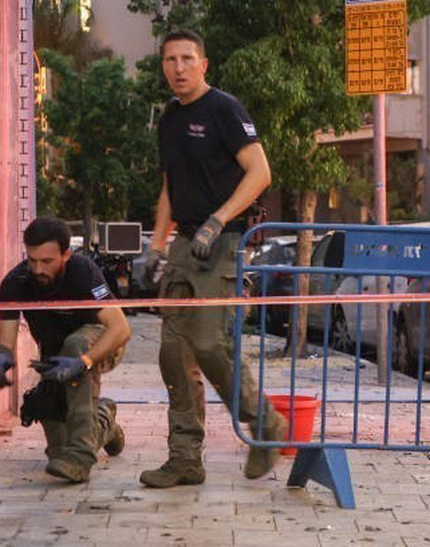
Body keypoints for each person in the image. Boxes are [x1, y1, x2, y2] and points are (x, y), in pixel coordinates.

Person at [140, 29, 287, 488]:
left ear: (204, 63)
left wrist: (218, 220)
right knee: (172, 353)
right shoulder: (168, 118)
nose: (178, 68)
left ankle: (266, 425)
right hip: (184, 243)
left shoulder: (224, 108)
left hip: (222, 242)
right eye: (170, 59)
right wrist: (156, 245)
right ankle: (185, 458)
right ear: (163, 65)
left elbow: (260, 172)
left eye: (187, 58)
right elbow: (170, 186)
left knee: (209, 344)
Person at [0, 216, 131, 483]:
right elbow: (4, 340)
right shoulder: (15, 283)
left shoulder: (83, 272)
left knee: (75, 346)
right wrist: (0, 360)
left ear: (66, 255)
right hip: (55, 358)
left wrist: (84, 361)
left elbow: (121, 329)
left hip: (98, 346)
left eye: (47, 261)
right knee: (58, 453)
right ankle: (104, 422)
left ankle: (81, 459)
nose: (37, 269)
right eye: (32, 260)